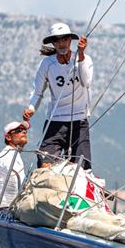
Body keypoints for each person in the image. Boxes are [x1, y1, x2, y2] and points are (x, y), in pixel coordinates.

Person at [23, 22, 93, 170]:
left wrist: (80, 55)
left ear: (70, 40)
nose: (61, 43)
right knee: (44, 163)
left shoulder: (83, 60)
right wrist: (31, 108)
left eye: (64, 39)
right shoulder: (47, 64)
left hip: (79, 120)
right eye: (57, 40)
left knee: (82, 168)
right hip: (55, 119)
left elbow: (86, 82)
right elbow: (37, 92)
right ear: (53, 43)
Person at [0, 120, 29, 210]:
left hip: (5, 207)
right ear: (8, 137)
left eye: (25, 130)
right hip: (8, 209)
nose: (24, 132)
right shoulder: (11, 155)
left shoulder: (9, 153)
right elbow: (20, 185)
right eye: (19, 130)